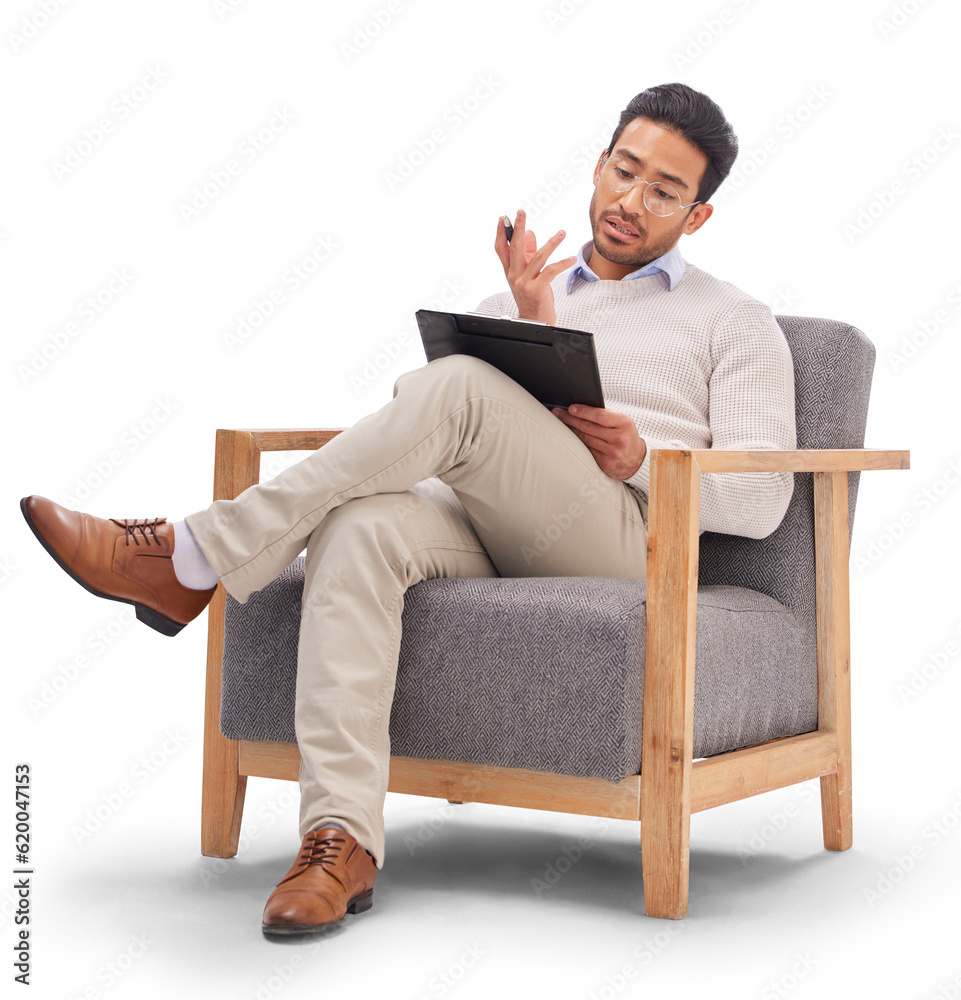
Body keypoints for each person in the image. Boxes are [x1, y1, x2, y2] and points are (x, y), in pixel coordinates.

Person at [20, 82, 796, 938]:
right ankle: (339, 839)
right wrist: (532, 322)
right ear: (599, 162)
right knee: (361, 525)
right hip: (501, 527)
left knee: (458, 386)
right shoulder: (530, 296)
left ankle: (188, 554)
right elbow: (454, 444)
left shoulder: (735, 320)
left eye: (663, 192)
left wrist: (644, 459)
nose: (629, 202)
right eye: (624, 171)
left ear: (697, 218)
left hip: (628, 543)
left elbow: (764, 499)